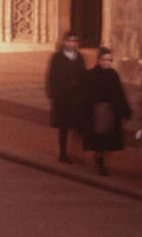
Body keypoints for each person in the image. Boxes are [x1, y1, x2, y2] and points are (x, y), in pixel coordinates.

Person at [81, 47, 131, 176]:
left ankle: (100, 158)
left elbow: (119, 93)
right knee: (100, 135)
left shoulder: (113, 74)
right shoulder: (91, 75)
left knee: (106, 136)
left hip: (110, 110)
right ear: (98, 60)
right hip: (97, 110)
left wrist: (125, 110)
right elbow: (86, 94)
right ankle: (99, 160)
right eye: (104, 60)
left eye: (109, 60)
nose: (107, 62)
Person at [46, 31, 86, 163]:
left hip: (76, 97)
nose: (72, 43)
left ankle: (76, 153)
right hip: (62, 97)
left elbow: (83, 75)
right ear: (64, 42)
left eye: (75, 41)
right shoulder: (57, 58)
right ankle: (63, 152)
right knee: (63, 126)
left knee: (77, 126)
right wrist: (52, 94)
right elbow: (51, 77)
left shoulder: (79, 57)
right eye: (70, 41)